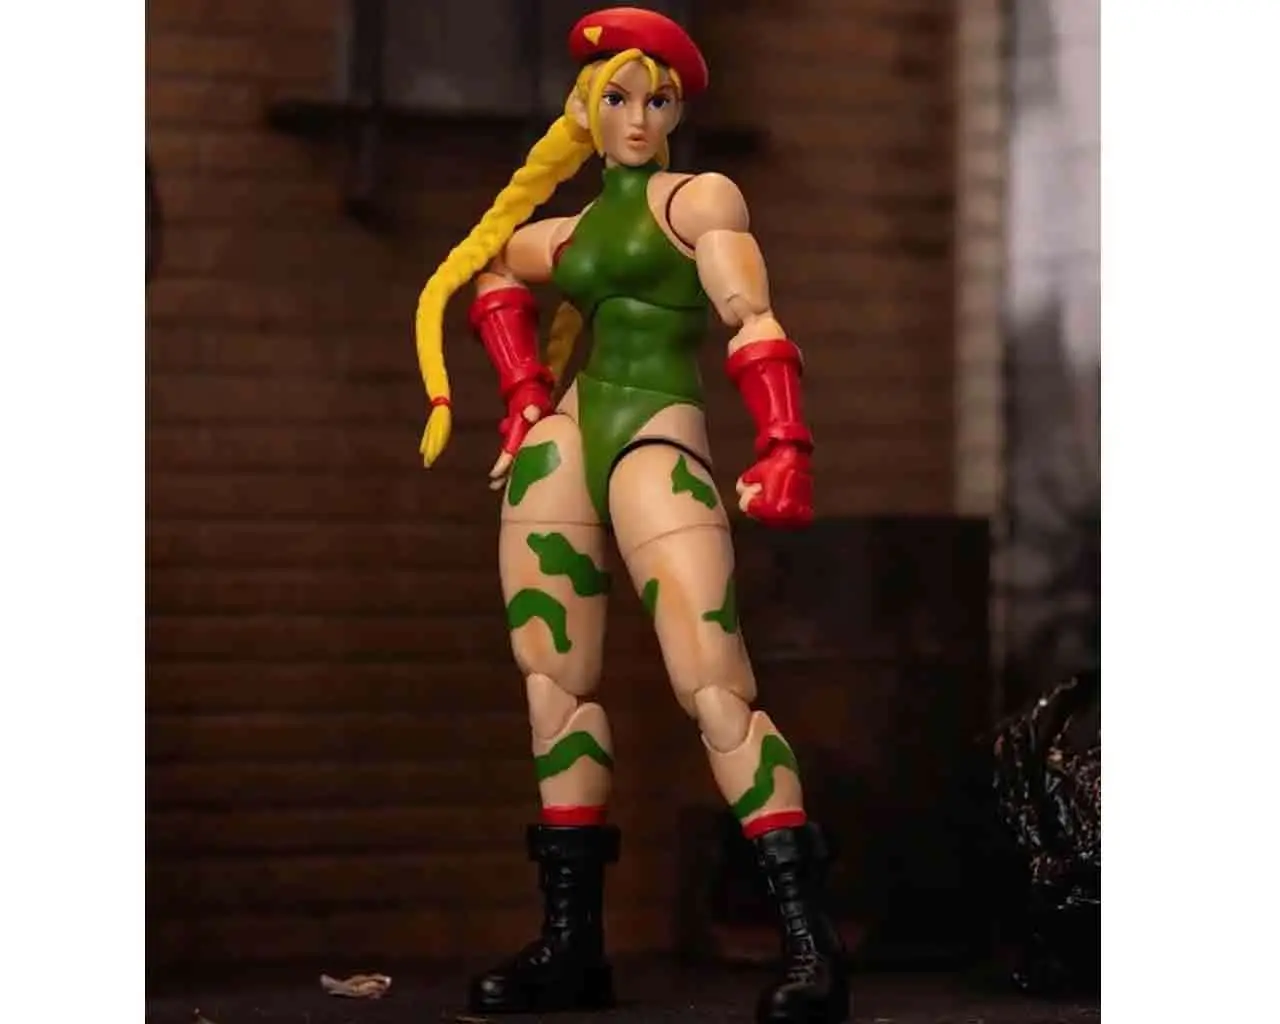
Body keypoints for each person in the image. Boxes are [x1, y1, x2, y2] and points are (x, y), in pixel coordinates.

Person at [413, 8, 849, 1023]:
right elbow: (493, 273)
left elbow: (750, 315)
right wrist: (524, 390)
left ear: (678, 111)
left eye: (658, 99)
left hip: (657, 433)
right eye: (618, 97)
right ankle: (572, 946)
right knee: (552, 687)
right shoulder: (565, 233)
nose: (640, 116)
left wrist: (784, 442)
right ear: (585, 111)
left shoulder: (697, 201)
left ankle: (807, 940)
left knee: (714, 686)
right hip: (570, 436)